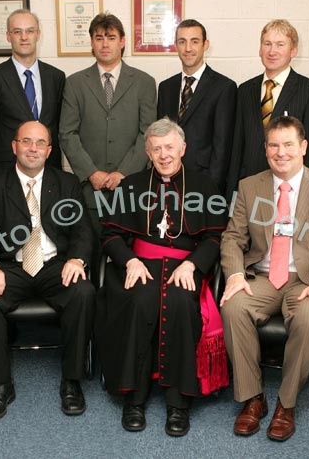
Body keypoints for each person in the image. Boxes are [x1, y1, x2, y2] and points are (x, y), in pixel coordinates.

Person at [220, 116, 309, 441]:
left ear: (303, 147)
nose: (281, 152)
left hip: (307, 279)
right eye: (274, 145)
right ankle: (253, 398)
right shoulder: (249, 186)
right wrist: (236, 274)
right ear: (266, 149)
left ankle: (286, 403)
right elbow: (232, 238)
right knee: (234, 306)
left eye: (288, 145)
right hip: (262, 275)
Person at [96, 118, 228, 437]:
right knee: (140, 299)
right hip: (141, 264)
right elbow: (110, 234)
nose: (164, 155)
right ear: (147, 151)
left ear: (183, 148)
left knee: (182, 302)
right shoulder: (132, 186)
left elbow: (214, 237)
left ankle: (178, 402)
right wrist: (128, 261)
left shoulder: (204, 185)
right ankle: (134, 398)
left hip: (185, 266)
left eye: (170, 147)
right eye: (157, 149)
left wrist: (194, 265)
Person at [0, 120, 95, 421]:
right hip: (12, 266)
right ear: (15, 147)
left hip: (55, 265)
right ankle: (0, 385)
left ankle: (72, 380)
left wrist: (77, 259)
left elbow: (83, 231)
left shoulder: (66, 183)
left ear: (50, 150)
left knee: (83, 292)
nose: (33, 148)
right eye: (26, 141)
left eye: (40, 143)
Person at [59, 12, 156, 231]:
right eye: (99, 37)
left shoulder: (145, 82)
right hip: (90, 187)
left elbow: (147, 134)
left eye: (111, 37)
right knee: (90, 247)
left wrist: (124, 173)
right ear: (91, 42)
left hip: (131, 187)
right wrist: (91, 173)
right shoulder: (75, 83)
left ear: (122, 42)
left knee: (129, 253)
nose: (105, 44)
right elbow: (67, 133)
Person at [227, 19, 309, 197]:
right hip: (250, 186)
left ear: (293, 51)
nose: (272, 51)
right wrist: (231, 192)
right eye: (267, 44)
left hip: (291, 189)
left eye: (280, 44)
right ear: (260, 49)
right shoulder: (245, 90)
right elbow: (237, 146)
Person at [0, 9, 65, 175]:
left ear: (38, 34)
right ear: (8, 36)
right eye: (17, 31)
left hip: (49, 169)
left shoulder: (56, 77)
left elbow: (58, 125)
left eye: (30, 31)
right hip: (6, 170)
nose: (24, 37)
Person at [157, 19, 236, 193]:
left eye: (195, 41)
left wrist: (211, 188)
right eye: (182, 42)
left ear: (205, 45)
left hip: (205, 183)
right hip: (169, 180)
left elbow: (222, 146)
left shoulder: (223, 87)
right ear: (176, 45)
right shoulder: (165, 87)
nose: (188, 48)